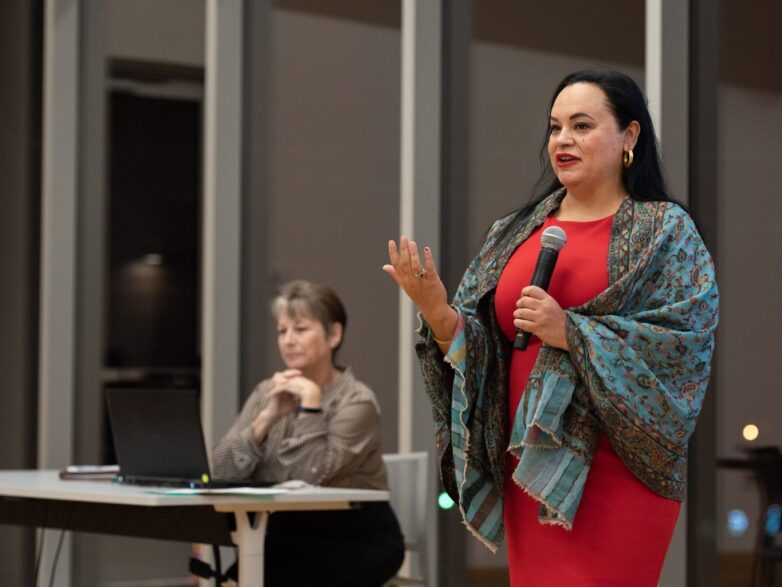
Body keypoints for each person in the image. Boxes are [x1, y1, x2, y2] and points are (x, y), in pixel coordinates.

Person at [383, 68, 719, 585]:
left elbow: (683, 350)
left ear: (629, 136)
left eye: (581, 125)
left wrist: (571, 333)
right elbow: (484, 351)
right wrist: (438, 313)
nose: (563, 139)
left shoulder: (665, 231)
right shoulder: (515, 231)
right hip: (532, 466)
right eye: (555, 127)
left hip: (617, 470)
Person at [212, 280, 404, 587]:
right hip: (281, 536)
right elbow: (219, 471)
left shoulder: (357, 400)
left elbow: (310, 479)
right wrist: (266, 418)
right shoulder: (266, 392)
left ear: (334, 335)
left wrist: (311, 407)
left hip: (352, 539)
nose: (288, 340)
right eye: (282, 331)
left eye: (300, 329)